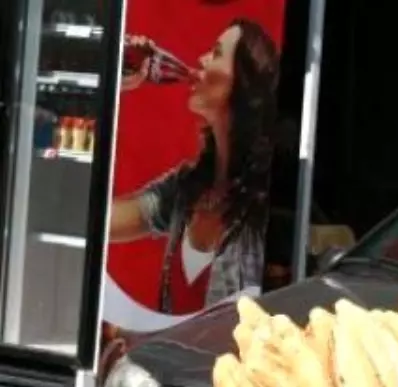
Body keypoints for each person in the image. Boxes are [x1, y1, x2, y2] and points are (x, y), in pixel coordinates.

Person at [108, 20, 281, 314]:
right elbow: (106, 223)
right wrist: (115, 85)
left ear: (241, 80)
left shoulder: (264, 204)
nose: (200, 59)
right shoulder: (188, 187)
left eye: (214, 53)